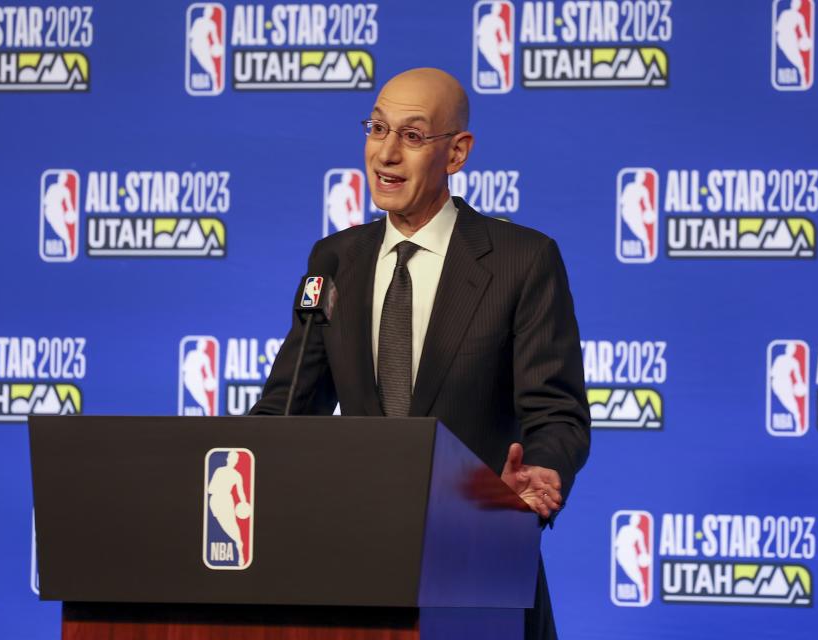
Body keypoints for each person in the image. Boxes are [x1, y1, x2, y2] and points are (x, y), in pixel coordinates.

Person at [251, 68, 590, 639]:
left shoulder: (521, 261)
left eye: (411, 136)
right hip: (354, 574)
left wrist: (537, 474)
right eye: (377, 128)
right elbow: (286, 412)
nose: (385, 153)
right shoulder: (335, 260)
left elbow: (557, 415)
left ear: (456, 153)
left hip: (479, 567)